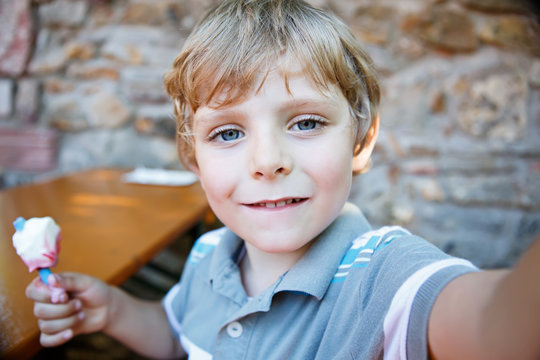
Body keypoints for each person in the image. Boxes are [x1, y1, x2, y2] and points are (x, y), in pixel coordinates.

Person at [25, 0, 540, 359]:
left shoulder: (383, 278)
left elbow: (497, 330)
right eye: (227, 133)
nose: (267, 161)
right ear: (193, 157)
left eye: (306, 122)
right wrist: (112, 311)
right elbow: (177, 337)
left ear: (360, 141)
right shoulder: (208, 256)